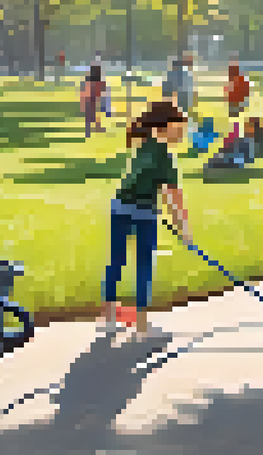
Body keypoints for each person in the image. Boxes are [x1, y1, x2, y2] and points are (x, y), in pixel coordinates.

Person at [104, 100, 193, 340]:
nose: (182, 134)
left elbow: (160, 190)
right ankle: (142, 327)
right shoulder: (166, 158)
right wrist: (185, 231)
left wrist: (174, 221)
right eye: (179, 129)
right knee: (143, 265)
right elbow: (176, 199)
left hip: (120, 206)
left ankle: (110, 320)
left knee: (116, 260)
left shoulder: (145, 145)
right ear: (165, 126)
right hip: (142, 211)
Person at [81, 65, 108, 137]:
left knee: (91, 114)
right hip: (91, 98)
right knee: (92, 114)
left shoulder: (89, 81)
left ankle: (90, 130)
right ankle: (92, 129)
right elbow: (102, 88)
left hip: (90, 98)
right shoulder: (96, 82)